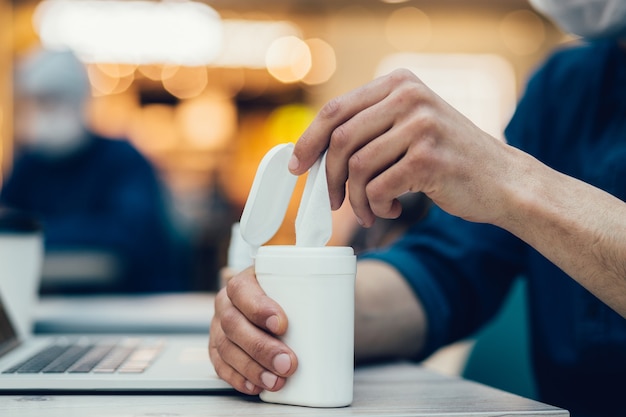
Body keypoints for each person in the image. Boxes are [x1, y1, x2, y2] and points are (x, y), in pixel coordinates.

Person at [208, 1, 626, 416]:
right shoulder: (563, 87)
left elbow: (494, 207)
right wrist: (292, 311)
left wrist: (510, 180)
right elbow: (445, 269)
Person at [0, 48, 186, 294]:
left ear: (79, 100)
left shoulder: (123, 160)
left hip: (133, 305)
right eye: (34, 102)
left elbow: (128, 234)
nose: (41, 111)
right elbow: (8, 226)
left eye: (51, 100)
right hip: (52, 307)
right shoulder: (30, 165)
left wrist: (37, 232)